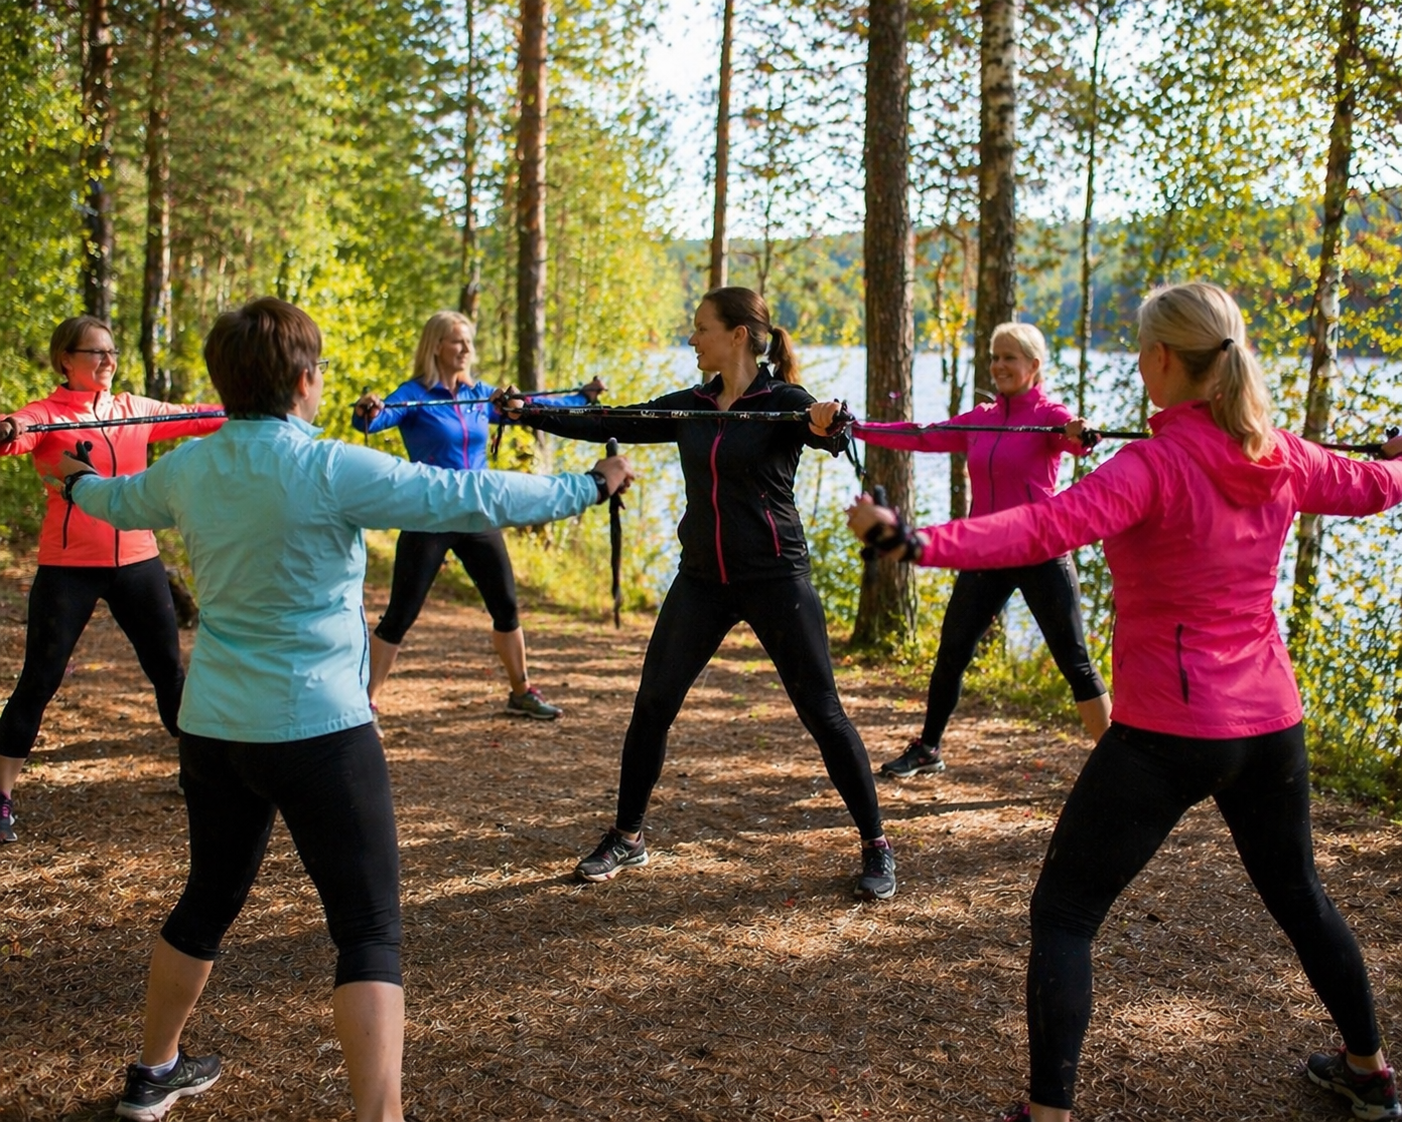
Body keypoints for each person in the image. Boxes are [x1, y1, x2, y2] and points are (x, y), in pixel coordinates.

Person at [58, 297, 632, 1121]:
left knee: (208, 900)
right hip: (320, 731)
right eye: (319, 370)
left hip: (215, 731)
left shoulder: (190, 469)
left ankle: (154, 1072)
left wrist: (74, 478)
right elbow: (472, 496)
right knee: (367, 931)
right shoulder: (329, 467)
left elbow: (114, 502)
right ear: (302, 381)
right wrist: (588, 485)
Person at [847, 282, 1402, 1122]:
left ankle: (1048, 1113)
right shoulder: (1281, 454)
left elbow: (1042, 528)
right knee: (1300, 896)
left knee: (1065, 913)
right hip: (1270, 727)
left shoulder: (1153, 465)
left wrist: (915, 541)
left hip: (1169, 733)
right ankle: (1369, 1072)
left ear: (1162, 359)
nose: (1141, 362)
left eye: (1143, 350)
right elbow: (1377, 487)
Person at [510, 285, 898, 901]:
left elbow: (827, 432)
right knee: (652, 706)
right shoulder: (692, 405)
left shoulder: (784, 402)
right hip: (702, 581)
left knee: (823, 713)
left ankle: (876, 843)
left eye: (701, 328)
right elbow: (612, 419)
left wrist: (830, 421)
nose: (692, 339)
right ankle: (628, 836)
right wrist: (529, 411)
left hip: (775, 577)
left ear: (738, 335)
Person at [819, 322, 1109, 780]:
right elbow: (921, 435)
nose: (999, 365)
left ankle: (1117, 762)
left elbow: (1073, 436)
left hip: (1040, 552)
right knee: (952, 652)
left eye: (1010, 357)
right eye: (995, 357)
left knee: (1075, 664)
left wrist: (1081, 431)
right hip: (987, 553)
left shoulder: (1049, 415)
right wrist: (857, 429)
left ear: (1034, 365)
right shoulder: (982, 418)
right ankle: (928, 749)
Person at [0, 316, 224, 844]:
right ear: (65, 361)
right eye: (95, 352)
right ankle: (1, 794)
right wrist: (8, 428)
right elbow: (18, 429)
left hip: (138, 562)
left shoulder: (132, 408)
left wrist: (252, 408)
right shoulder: (48, 414)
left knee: (169, 673)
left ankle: (202, 776)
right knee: (39, 681)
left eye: (112, 352)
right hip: (68, 567)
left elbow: (198, 417)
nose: (108, 360)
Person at [352, 311, 603, 723]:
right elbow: (375, 418)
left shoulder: (481, 396)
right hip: (430, 515)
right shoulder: (414, 394)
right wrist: (368, 410)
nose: (467, 349)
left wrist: (582, 398)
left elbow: (533, 406)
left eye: (469, 341)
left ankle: (521, 692)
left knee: (506, 607)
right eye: (458, 341)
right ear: (436, 346)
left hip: (478, 513)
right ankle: (365, 705)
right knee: (399, 615)